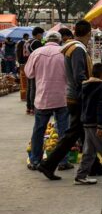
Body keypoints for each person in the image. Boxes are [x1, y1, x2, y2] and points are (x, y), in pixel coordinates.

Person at [37, 20, 102, 181]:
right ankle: (48, 164)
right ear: (89, 33)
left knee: (85, 134)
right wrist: (91, 89)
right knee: (73, 134)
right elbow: (79, 76)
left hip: (75, 95)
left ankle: (93, 166)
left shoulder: (72, 47)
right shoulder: (77, 49)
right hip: (78, 97)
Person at [25, 32, 71, 171]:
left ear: (46, 40)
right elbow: (70, 75)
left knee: (39, 130)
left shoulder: (37, 53)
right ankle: (63, 162)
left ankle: (35, 161)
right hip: (61, 97)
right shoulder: (64, 53)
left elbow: (29, 73)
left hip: (42, 97)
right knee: (63, 131)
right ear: (59, 40)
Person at [24, 27, 45, 115]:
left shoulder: (28, 42)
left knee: (29, 88)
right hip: (35, 66)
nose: (42, 36)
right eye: (42, 34)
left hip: (28, 65)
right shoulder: (36, 42)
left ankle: (29, 107)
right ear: (38, 34)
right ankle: (33, 107)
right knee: (34, 87)